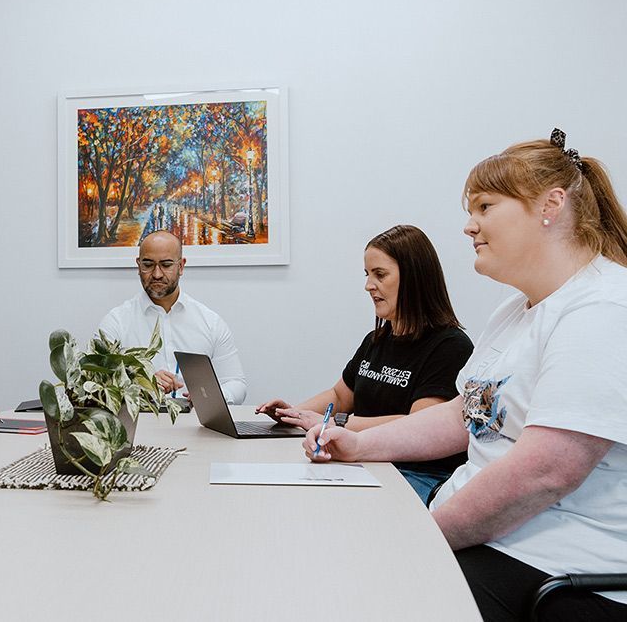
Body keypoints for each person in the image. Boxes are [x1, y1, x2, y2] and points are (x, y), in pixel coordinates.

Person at [304, 130, 627, 620]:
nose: (469, 226)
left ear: (551, 206)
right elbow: (465, 415)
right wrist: (357, 444)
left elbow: (546, 473)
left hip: (555, 566)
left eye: (484, 207)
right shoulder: (517, 312)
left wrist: (420, 537)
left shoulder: (603, 309)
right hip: (495, 538)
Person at [256, 225, 473, 503]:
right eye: (368, 275)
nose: (369, 285)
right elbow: (339, 396)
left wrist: (340, 424)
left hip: (416, 474)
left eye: (380, 275)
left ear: (414, 278)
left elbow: (417, 425)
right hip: (366, 462)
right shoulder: (376, 340)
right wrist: (294, 414)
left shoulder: (450, 346)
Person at [97, 230, 247, 404]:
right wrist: (138, 384)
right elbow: (93, 383)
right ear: (138, 265)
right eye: (148, 264)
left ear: (181, 266)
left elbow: (236, 384)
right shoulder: (116, 322)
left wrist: (213, 397)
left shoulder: (210, 322)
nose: (157, 274)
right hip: (138, 428)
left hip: (195, 427)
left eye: (166, 265)